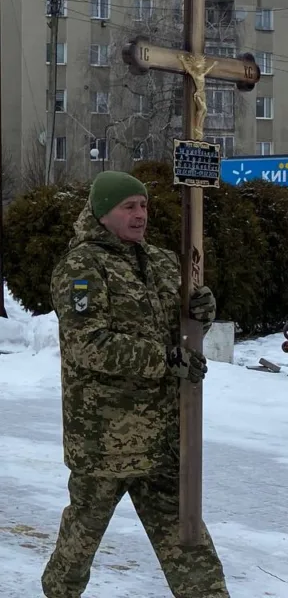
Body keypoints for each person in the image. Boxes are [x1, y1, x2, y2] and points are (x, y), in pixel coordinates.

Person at [41, 171, 227, 598]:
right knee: (78, 548)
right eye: (129, 206)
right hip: (105, 441)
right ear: (103, 212)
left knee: (190, 543)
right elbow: (88, 344)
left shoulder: (162, 261)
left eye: (143, 205)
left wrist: (202, 311)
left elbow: (180, 332)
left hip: (163, 438)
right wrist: (164, 359)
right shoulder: (80, 267)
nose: (140, 214)